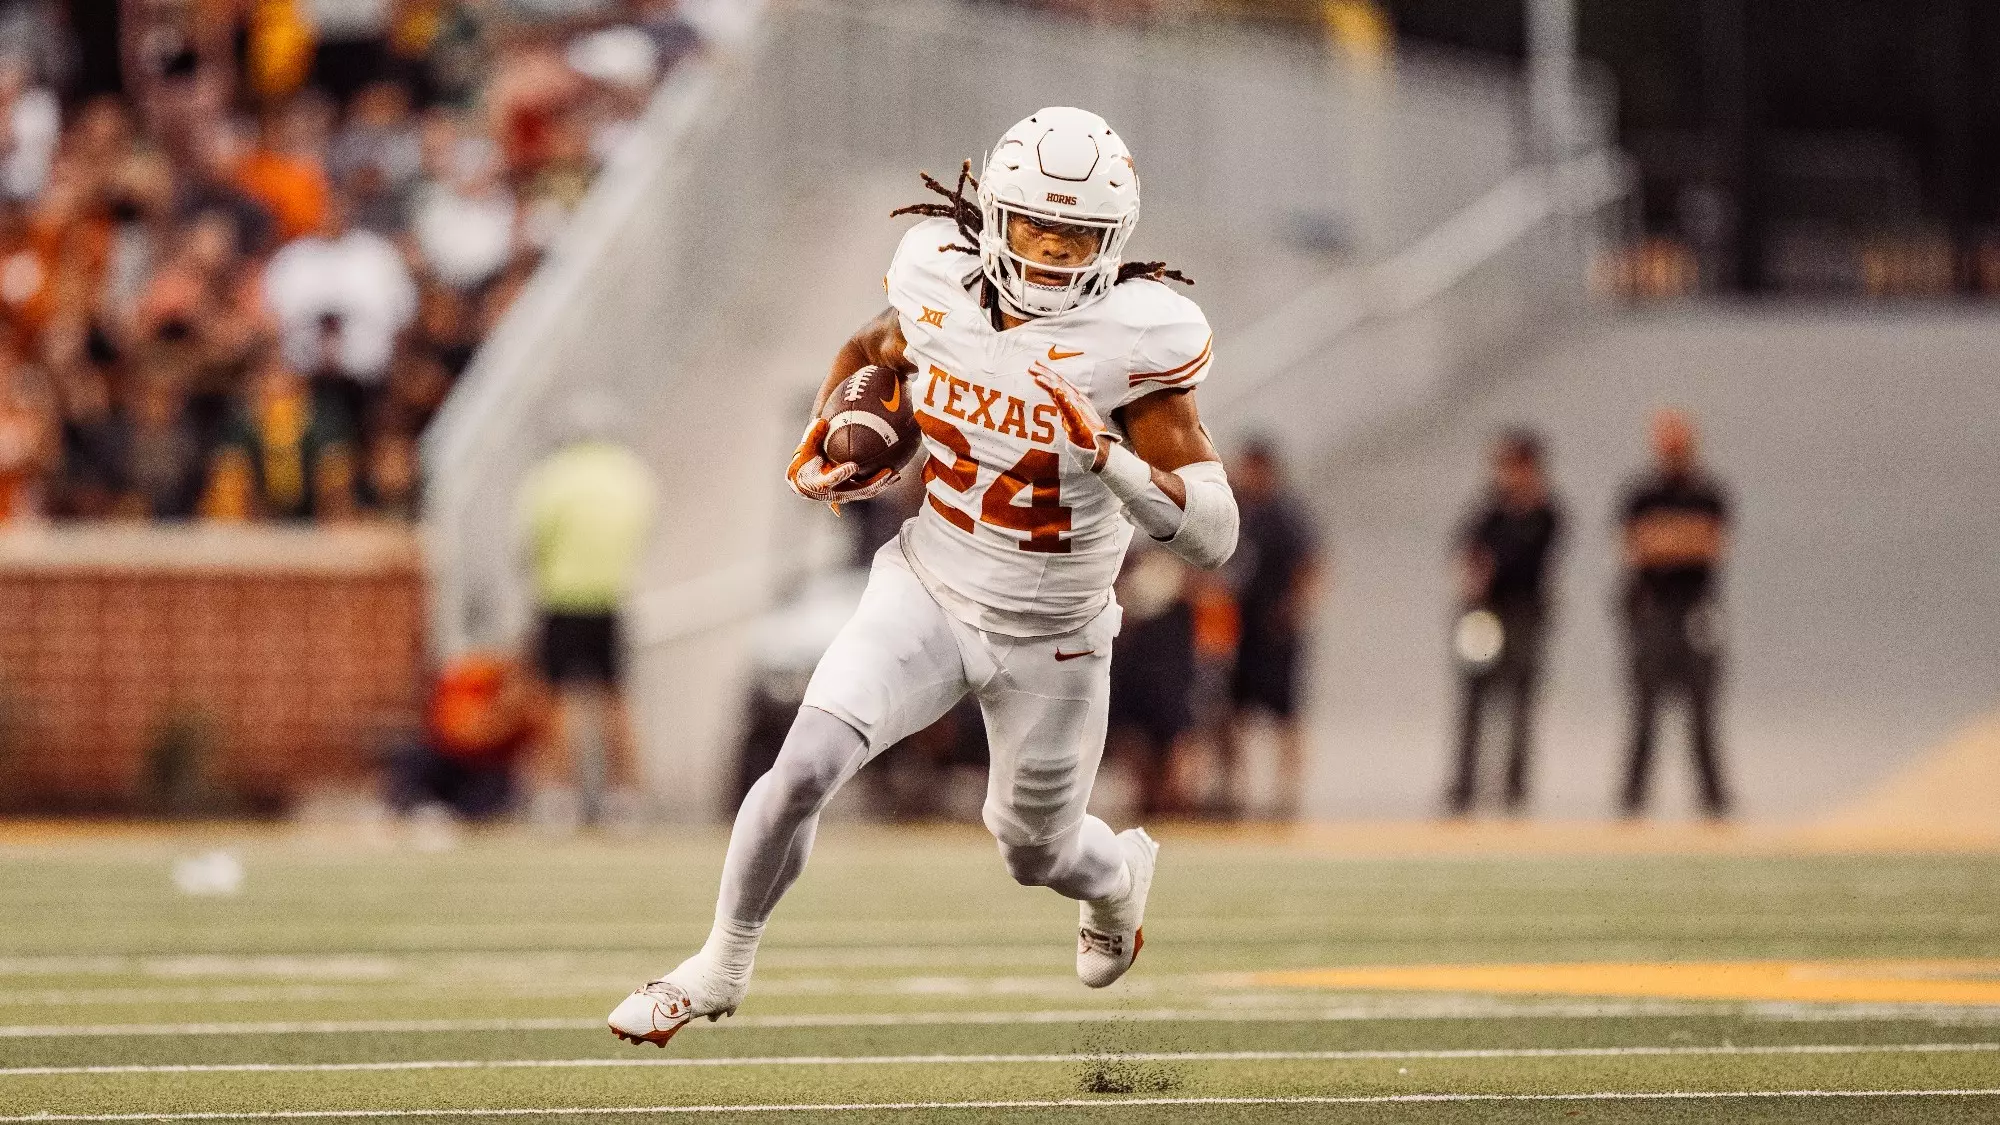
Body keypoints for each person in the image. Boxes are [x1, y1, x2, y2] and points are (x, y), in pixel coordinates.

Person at [608, 107, 1240, 1047]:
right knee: (803, 767)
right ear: (992, 217)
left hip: (1056, 635)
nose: (1054, 252)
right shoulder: (936, 276)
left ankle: (1113, 882)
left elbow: (1215, 534)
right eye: (1034, 226)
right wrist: (831, 432)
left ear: (1116, 242)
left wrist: (1106, 459)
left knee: (1034, 851)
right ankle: (718, 963)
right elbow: (871, 353)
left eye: (1077, 235)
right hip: (930, 589)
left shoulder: (1134, 342)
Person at [516, 404, 655, 833]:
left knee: (555, 701)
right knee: (616, 701)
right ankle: (624, 800)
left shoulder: (550, 476)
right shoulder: (631, 474)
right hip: (611, 597)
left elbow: (530, 539)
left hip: (560, 597)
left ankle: (559, 799)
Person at [1618, 408, 1733, 819]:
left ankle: (1713, 799)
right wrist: (1680, 539)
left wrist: (1664, 540)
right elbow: (1635, 548)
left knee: (1703, 708)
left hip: (1696, 610)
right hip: (1652, 612)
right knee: (1644, 708)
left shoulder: (1709, 494)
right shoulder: (1641, 495)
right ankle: (1633, 799)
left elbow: (1711, 546)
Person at [1444, 431, 1564, 816]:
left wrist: (1490, 567)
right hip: (1484, 614)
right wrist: (1471, 574)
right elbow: (1463, 550)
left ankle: (1514, 788)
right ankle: (1464, 786)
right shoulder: (1488, 510)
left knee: (1520, 701)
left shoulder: (1545, 511)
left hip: (1524, 614)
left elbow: (1526, 558)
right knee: (1474, 698)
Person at [1219, 439, 1319, 820]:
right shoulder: (1240, 512)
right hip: (1242, 630)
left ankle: (1286, 795)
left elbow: (1311, 565)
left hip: (1276, 632)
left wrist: (1294, 610)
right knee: (1233, 713)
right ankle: (1236, 791)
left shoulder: (1286, 515)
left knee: (1285, 716)